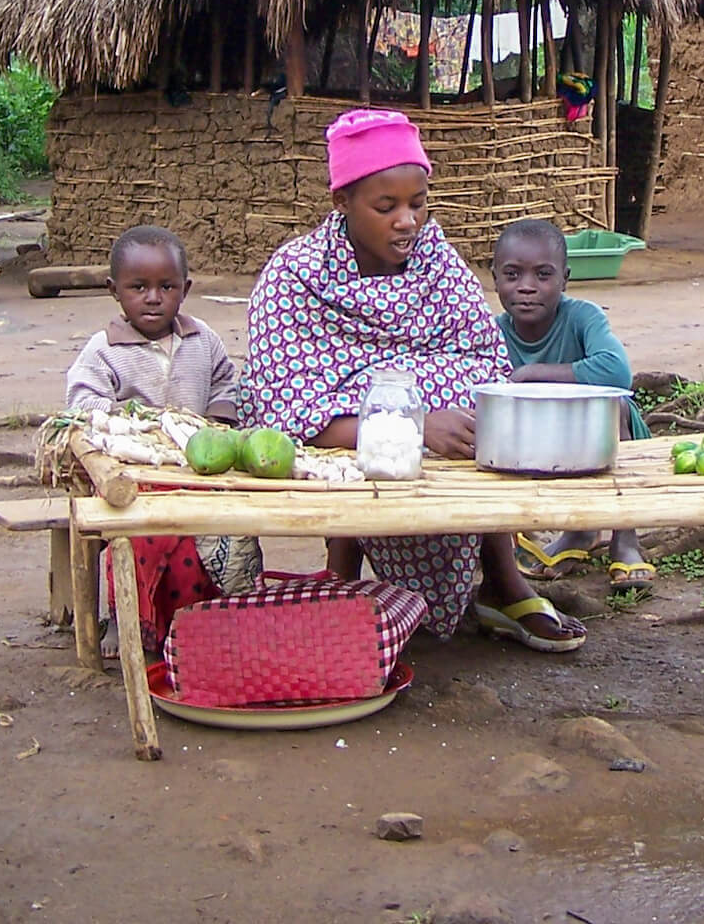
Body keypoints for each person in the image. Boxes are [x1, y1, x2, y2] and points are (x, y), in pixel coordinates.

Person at [243, 109, 586, 652]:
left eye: (418, 204)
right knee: (385, 397)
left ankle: (501, 578)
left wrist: (421, 398)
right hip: (337, 442)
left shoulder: (439, 262)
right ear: (342, 204)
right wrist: (412, 422)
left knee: (480, 402)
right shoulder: (293, 278)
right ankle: (341, 578)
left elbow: (483, 359)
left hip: (442, 436)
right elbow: (288, 408)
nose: (407, 221)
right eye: (387, 207)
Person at [65, 225, 255, 656]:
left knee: (224, 529)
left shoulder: (201, 340)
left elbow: (227, 383)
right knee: (136, 536)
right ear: (115, 291)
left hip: (197, 469)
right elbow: (81, 402)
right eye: (139, 287)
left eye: (166, 287)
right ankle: (125, 618)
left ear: (184, 290)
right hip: (133, 472)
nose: (153, 298)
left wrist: (217, 417)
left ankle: (206, 615)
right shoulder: (103, 350)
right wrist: (131, 424)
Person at [490, 218, 655, 590]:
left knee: (615, 408)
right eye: (513, 275)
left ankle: (625, 537)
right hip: (539, 442)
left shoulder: (583, 317)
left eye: (543, 275)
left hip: (605, 438)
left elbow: (616, 372)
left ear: (565, 278)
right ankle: (573, 533)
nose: (527, 287)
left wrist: (532, 374)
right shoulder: (493, 333)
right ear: (495, 277)